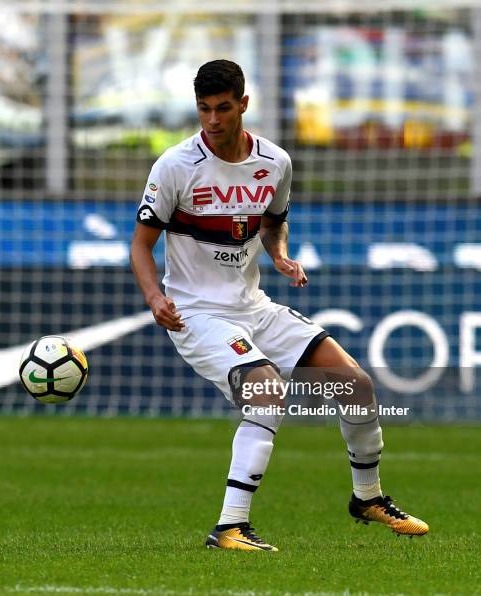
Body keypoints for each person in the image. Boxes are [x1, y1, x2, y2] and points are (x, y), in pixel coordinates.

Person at [130, 59, 428, 551]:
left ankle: (368, 498)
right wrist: (154, 296)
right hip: (195, 313)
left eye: (223, 108)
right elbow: (141, 245)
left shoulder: (275, 163)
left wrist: (281, 255)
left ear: (243, 104)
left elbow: (271, 224)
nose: (212, 121)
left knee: (356, 383)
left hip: (254, 306)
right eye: (204, 109)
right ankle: (230, 526)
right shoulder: (175, 166)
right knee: (267, 390)